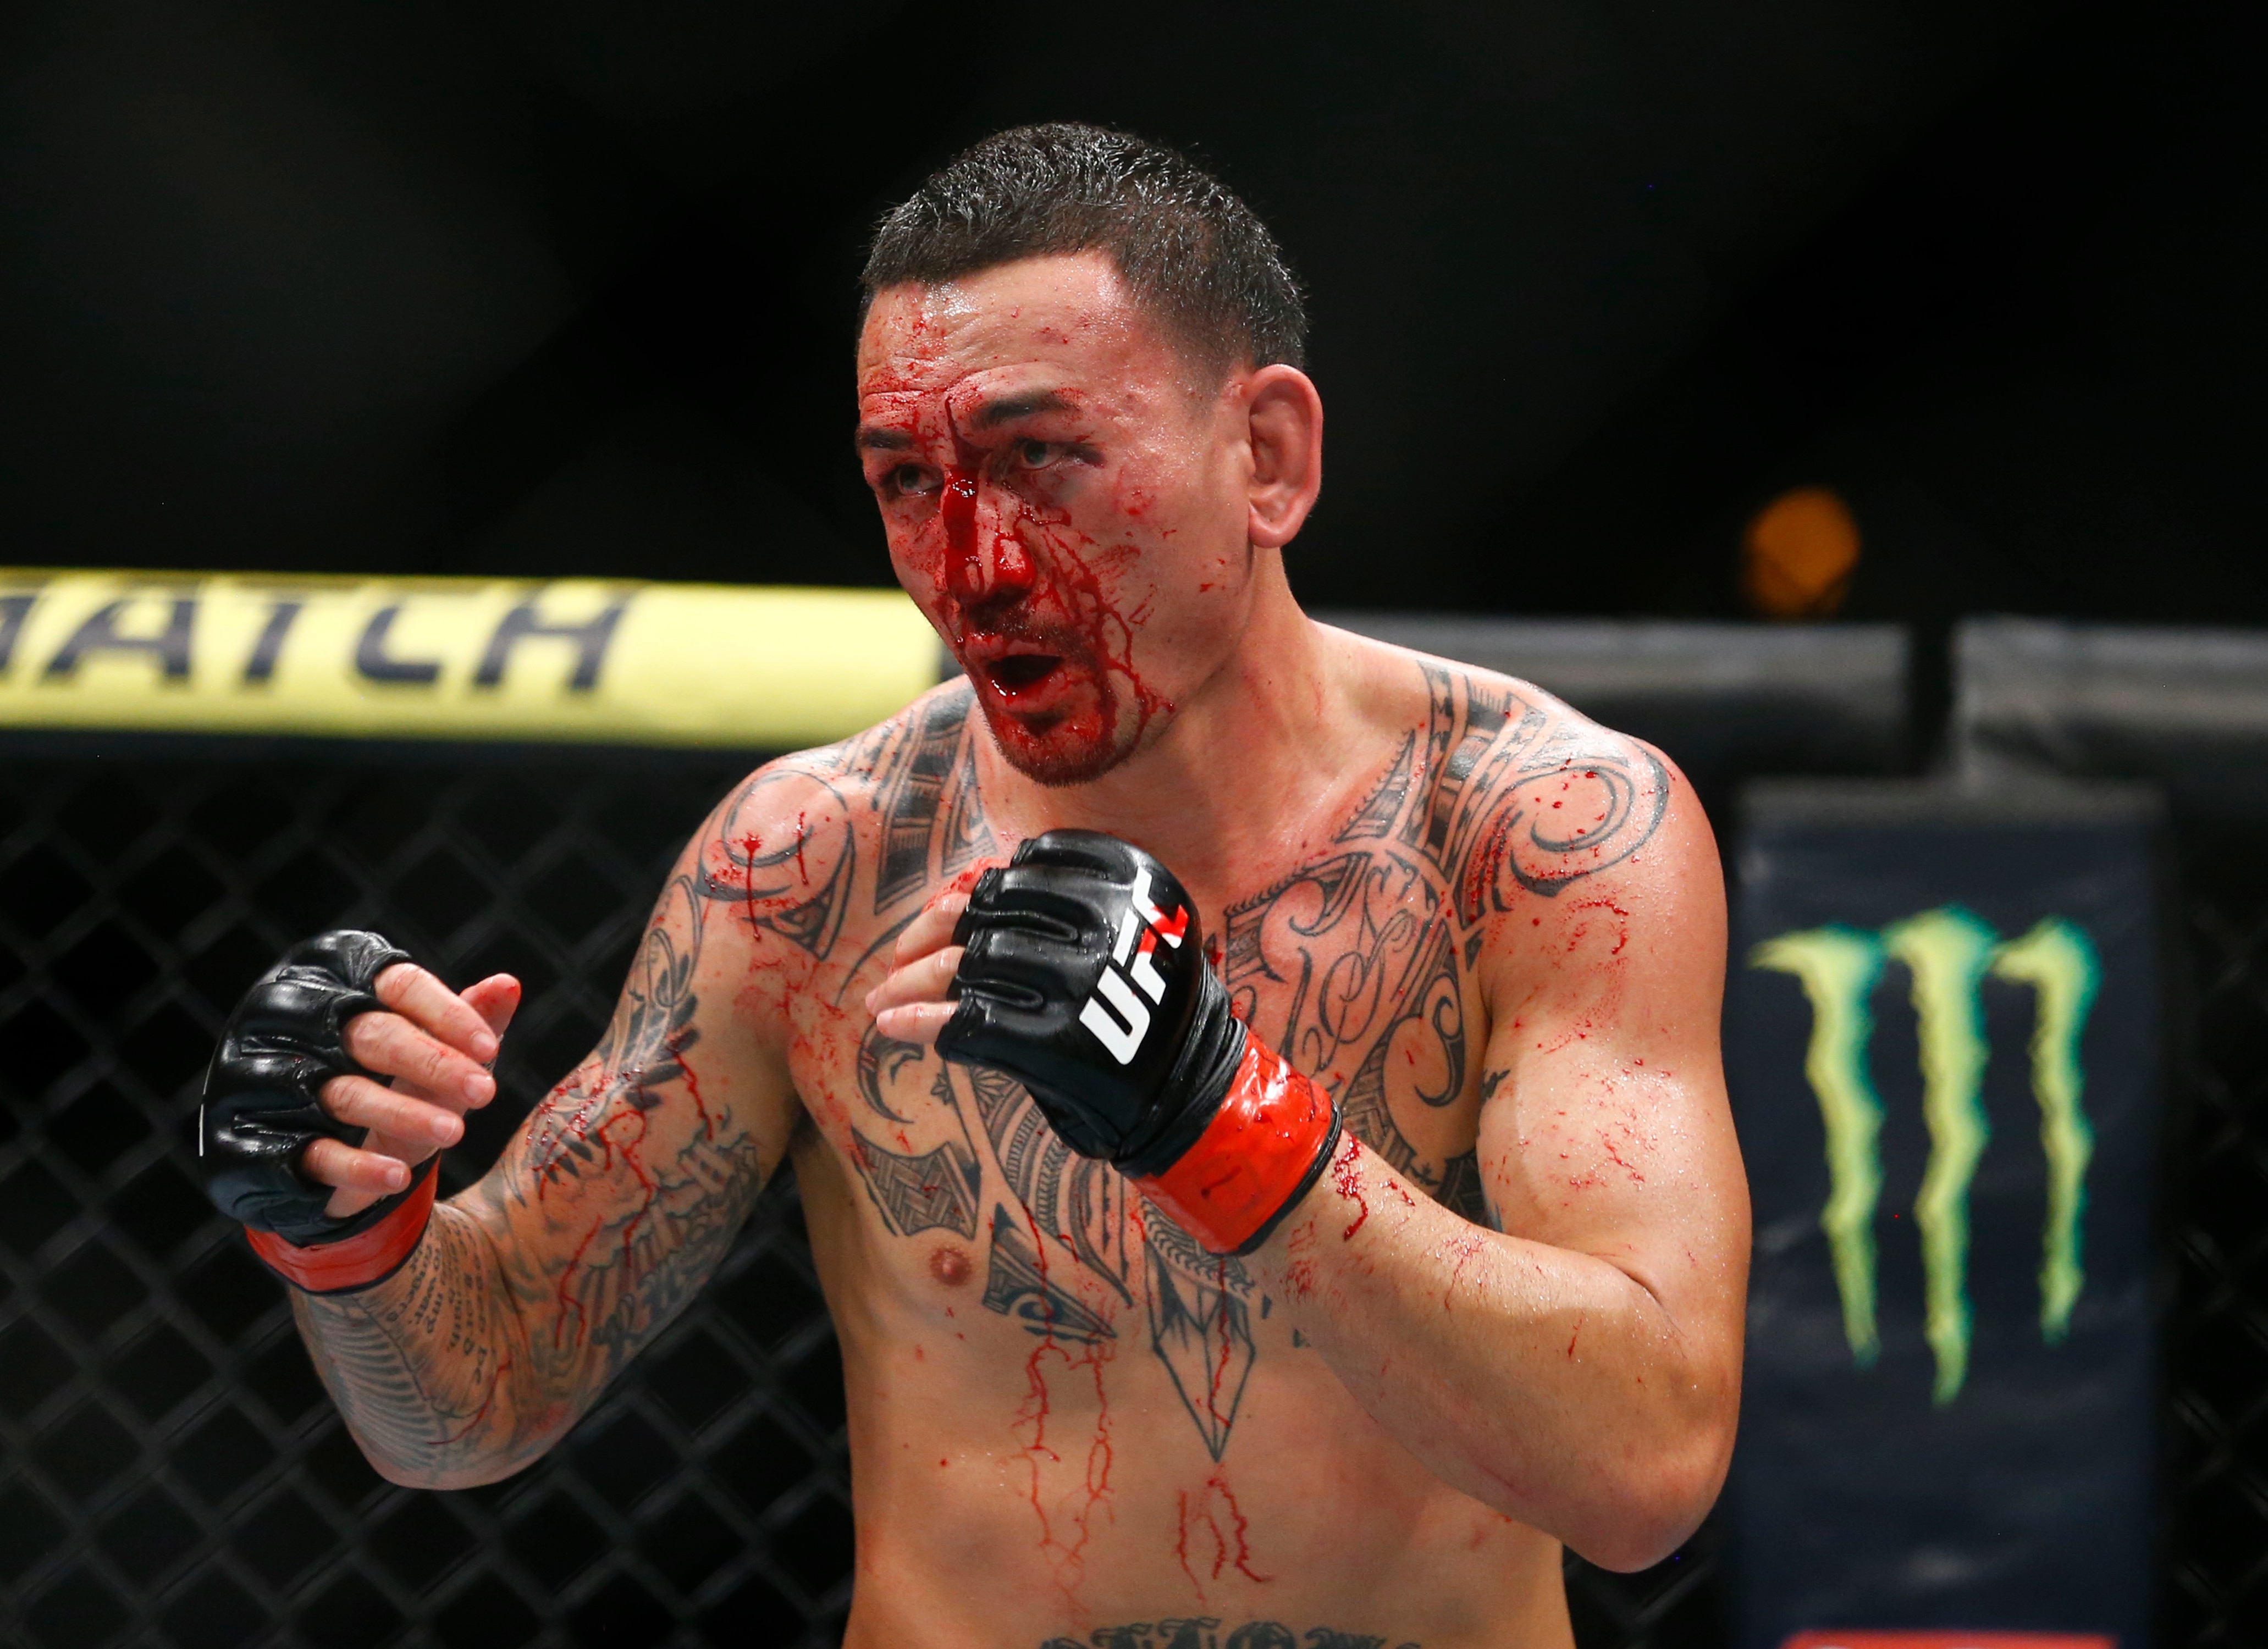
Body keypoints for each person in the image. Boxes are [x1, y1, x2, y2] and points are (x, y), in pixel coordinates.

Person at [196, 124, 1750, 1648]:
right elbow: (473, 1406)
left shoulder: (1538, 839)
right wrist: (348, 1232)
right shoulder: (809, 866)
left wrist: (1220, 1120)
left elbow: (1645, 1471)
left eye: (1039, 460)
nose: (973, 565)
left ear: (1266, 457)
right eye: (903, 479)